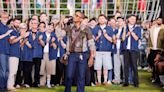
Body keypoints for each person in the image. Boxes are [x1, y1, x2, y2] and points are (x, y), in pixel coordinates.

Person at [64, 11, 95, 92]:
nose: (74, 16)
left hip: (82, 55)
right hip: (72, 55)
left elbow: (91, 43)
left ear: (81, 19)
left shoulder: (86, 29)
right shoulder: (69, 28)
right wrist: (66, 53)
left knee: (81, 76)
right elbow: (66, 40)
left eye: (76, 15)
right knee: (69, 75)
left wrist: (92, 57)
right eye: (74, 15)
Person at [92, 14, 113, 86]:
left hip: (107, 50)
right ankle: (99, 81)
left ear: (106, 20)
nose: (101, 20)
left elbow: (112, 40)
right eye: (100, 18)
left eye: (103, 18)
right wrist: (99, 36)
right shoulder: (95, 28)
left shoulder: (109, 28)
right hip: (98, 50)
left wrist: (105, 35)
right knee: (98, 67)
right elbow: (93, 40)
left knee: (106, 67)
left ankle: (105, 80)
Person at [122, 15, 141, 87]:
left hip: (134, 50)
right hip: (126, 49)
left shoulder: (137, 28)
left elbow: (136, 38)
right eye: (131, 18)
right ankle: (126, 82)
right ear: (128, 19)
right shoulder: (125, 27)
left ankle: (136, 83)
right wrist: (125, 31)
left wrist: (131, 32)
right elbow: (123, 39)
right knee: (126, 66)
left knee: (134, 66)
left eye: (134, 19)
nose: (133, 20)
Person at [147, 18, 164, 83]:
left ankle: (156, 77)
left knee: (156, 63)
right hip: (152, 48)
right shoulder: (152, 28)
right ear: (156, 21)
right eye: (158, 20)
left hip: (160, 49)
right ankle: (154, 76)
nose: (159, 21)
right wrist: (148, 47)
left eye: (160, 20)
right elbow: (149, 38)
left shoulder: (163, 28)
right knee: (151, 61)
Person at [7, 17, 21, 91]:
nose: (17, 24)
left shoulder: (17, 31)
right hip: (12, 53)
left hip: (17, 54)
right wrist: (20, 37)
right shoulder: (11, 31)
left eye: (19, 23)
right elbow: (11, 41)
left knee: (14, 71)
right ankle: (9, 86)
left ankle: (11, 85)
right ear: (13, 22)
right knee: (12, 71)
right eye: (16, 22)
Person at [0, 11, 13, 91]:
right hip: (1, 51)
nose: (5, 19)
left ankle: (4, 86)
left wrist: (11, 38)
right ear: (0, 18)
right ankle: (2, 87)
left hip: (8, 51)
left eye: (6, 17)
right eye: (3, 17)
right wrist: (6, 34)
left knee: (7, 71)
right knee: (3, 70)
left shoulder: (8, 28)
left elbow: (8, 40)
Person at [112, 17, 125, 84]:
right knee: (116, 66)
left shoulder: (125, 30)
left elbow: (123, 39)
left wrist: (118, 37)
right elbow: (114, 40)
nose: (119, 22)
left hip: (122, 50)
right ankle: (117, 79)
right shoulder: (115, 30)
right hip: (115, 49)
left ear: (123, 22)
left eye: (121, 21)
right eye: (118, 21)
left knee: (124, 66)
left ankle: (125, 79)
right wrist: (114, 39)